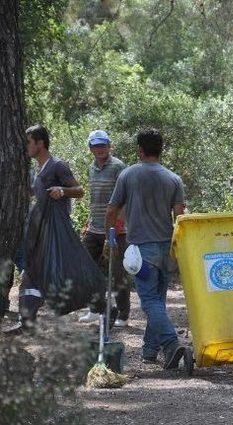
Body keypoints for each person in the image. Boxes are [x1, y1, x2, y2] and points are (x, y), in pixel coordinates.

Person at [105, 128, 186, 369]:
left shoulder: (128, 175)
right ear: (161, 150)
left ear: (139, 150)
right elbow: (180, 217)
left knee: (149, 301)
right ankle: (150, 351)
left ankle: (171, 344)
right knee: (157, 300)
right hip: (166, 249)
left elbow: (111, 210)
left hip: (142, 251)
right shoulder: (174, 179)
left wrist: (109, 238)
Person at [18, 124, 85, 329]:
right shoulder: (39, 169)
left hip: (54, 233)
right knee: (32, 273)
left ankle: (100, 303)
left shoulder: (57, 165)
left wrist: (62, 191)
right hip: (40, 232)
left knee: (36, 273)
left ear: (40, 143)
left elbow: (79, 190)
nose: (26, 146)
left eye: (29, 142)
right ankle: (27, 321)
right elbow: (38, 194)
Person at [77, 130, 131, 327]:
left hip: (116, 230)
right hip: (94, 228)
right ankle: (96, 309)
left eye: (103, 145)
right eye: (95, 146)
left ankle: (123, 315)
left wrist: (117, 226)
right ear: (90, 148)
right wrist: (89, 221)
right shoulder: (91, 167)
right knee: (88, 270)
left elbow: (124, 199)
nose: (99, 149)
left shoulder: (118, 167)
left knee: (118, 274)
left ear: (109, 146)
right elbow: (94, 198)